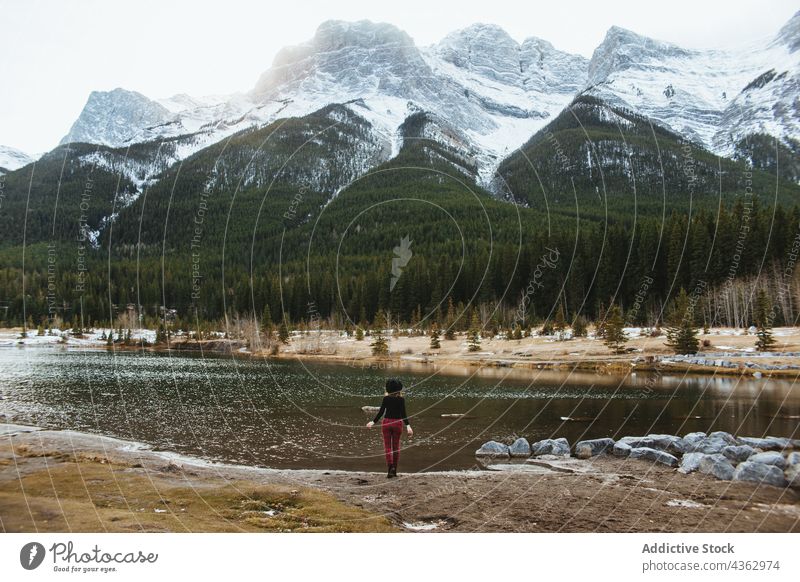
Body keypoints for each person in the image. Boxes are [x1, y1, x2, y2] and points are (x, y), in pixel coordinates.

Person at [366, 378, 413, 478]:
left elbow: (381, 412)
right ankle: (394, 470)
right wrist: (408, 426)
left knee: (387, 447)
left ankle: (389, 468)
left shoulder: (386, 399)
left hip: (386, 423)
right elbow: (404, 414)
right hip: (397, 424)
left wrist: (373, 422)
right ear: (399, 389)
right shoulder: (401, 400)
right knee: (396, 448)